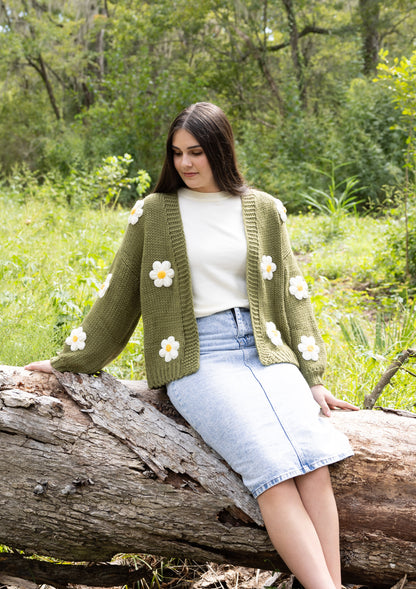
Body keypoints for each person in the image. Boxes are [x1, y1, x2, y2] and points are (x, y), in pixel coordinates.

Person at [25, 101, 358, 589]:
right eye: (177, 152)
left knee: (314, 463)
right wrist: (68, 362)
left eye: (197, 152)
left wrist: (313, 378)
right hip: (198, 358)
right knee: (272, 470)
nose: (185, 163)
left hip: (266, 352)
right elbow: (118, 297)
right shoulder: (155, 212)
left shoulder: (264, 209)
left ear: (220, 150)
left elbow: (292, 293)